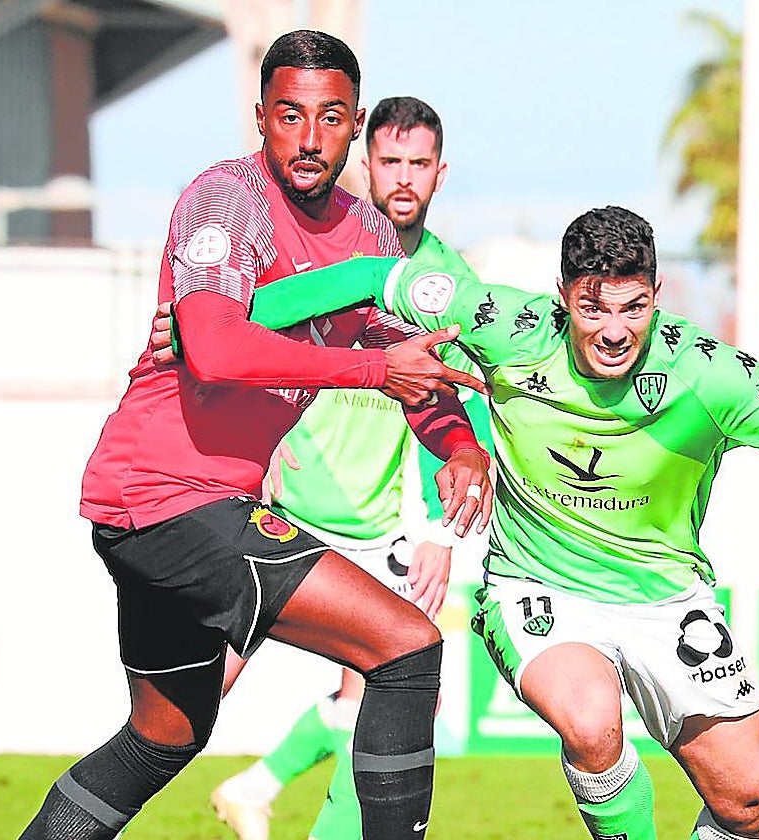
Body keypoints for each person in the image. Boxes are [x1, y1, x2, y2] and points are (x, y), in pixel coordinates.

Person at [162, 205, 759, 840]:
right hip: (536, 588)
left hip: (669, 598)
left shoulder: (708, 371)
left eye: (633, 307)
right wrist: (219, 327)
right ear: (560, 298)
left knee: (752, 801)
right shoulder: (508, 323)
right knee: (590, 719)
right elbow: (364, 278)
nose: (614, 330)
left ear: (657, 295)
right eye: (592, 307)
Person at [16, 31, 493, 840]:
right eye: (290, 115)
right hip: (165, 494)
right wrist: (382, 374)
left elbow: (407, 362)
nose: (310, 139)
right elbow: (215, 344)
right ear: (262, 117)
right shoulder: (225, 198)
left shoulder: (370, 237)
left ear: (356, 124)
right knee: (407, 648)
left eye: (331, 117)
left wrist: (458, 444)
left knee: (164, 735)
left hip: (188, 506)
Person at [205, 96, 494, 840]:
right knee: (198, 696)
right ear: (367, 163)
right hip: (286, 502)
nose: (403, 177)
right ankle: (227, 785)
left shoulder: (446, 282)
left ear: (440, 172)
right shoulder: (320, 246)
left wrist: (442, 531)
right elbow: (243, 338)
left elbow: (469, 402)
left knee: (394, 700)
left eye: (418, 163)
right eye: (390, 161)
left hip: (375, 526)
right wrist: (252, 454)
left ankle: (268, 796)